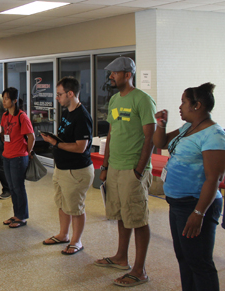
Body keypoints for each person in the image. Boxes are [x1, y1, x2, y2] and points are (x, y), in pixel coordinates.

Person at [153, 83, 225, 291]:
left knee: (200, 262)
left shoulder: (214, 135)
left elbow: (214, 178)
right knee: (185, 258)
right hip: (178, 204)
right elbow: (162, 142)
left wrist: (198, 212)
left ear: (197, 105)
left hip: (195, 205)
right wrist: (161, 124)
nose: (180, 106)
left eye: (184, 102)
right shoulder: (188, 127)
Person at [94, 57, 156, 287]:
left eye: (114, 73)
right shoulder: (113, 100)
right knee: (121, 214)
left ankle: (140, 270)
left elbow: (150, 137)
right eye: (110, 74)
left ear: (127, 74)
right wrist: (105, 165)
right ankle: (121, 257)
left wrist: (139, 170)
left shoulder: (142, 100)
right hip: (115, 168)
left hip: (133, 169)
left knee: (138, 219)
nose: (110, 77)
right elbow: (111, 134)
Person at [41, 77, 94, 255]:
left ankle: (76, 241)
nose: (57, 98)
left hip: (76, 170)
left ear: (70, 94)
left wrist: (56, 144)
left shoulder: (82, 116)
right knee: (63, 204)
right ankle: (63, 235)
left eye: (59, 94)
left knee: (75, 207)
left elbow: (80, 147)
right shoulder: (67, 113)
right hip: (62, 168)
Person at [0, 87, 35, 228]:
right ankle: (16, 214)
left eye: (7, 99)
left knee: (18, 187)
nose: (4, 101)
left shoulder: (22, 116)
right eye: (3, 98)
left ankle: (22, 217)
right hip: (7, 156)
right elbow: (4, 132)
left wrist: (27, 151)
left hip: (19, 157)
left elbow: (31, 136)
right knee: (12, 188)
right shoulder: (5, 116)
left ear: (14, 101)